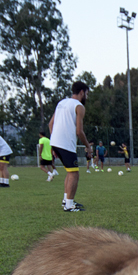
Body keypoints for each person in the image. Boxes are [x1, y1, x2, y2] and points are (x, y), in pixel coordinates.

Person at [48, 81, 93, 211]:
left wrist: (54, 143)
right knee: (74, 174)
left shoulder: (61, 103)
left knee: (70, 171)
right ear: (82, 92)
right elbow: (79, 131)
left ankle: (66, 200)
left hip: (56, 142)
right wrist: (88, 147)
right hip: (66, 144)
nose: (86, 97)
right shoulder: (79, 106)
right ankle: (69, 205)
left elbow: (51, 124)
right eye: (86, 94)